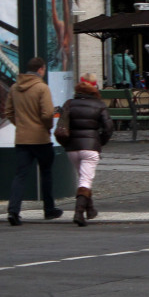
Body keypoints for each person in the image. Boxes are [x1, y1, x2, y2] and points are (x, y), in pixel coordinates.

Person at [4, 56, 63, 225]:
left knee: (20, 175)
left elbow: (8, 112)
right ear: (40, 70)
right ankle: (49, 209)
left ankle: (13, 211)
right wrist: (48, 126)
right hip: (40, 138)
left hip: (22, 138)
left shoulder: (15, 87)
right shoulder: (41, 88)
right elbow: (47, 114)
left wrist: (21, 125)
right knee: (46, 173)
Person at [58, 73, 114, 226]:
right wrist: (99, 142)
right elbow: (108, 128)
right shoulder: (99, 104)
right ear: (95, 86)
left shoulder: (69, 103)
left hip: (72, 148)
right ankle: (78, 213)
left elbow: (62, 124)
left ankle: (90, 209)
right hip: (90, 147)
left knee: (83, 178)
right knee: (85, 179)